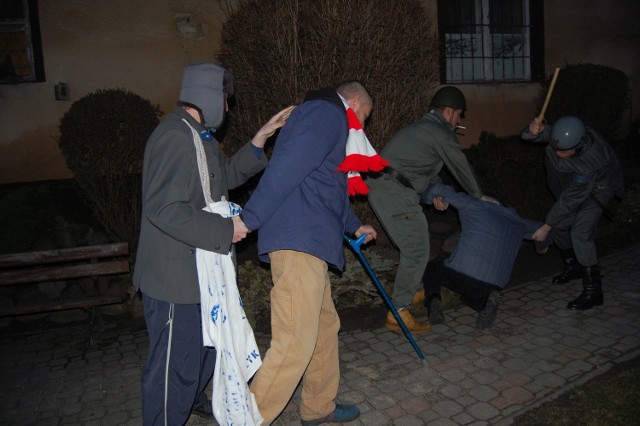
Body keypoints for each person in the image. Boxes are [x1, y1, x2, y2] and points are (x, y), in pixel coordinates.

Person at [134, 62, 294, 425]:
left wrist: (260, 139)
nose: (227, 108)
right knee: (172, 365)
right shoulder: (174, 136)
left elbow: (221, 179)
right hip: (174, 278)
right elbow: (164, 208)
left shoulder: (198, 134)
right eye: (224, 98)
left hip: (202, 273)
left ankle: (189, 399)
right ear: (207, 95)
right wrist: (226, 230)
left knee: (204, 350)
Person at [240, 81, 378, 425]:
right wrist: (247, 220)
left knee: (324, 326)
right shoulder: (326, 114)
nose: (362, 125)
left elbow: (324, 184)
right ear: (355, 101)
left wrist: (354, 225)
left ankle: (318, 407)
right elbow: (285, 169)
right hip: (299, 240)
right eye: (364, 116)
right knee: (295, 341)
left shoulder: (327, 117)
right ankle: (243, 420)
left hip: (309, 240)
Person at [366, 85, 497, 333]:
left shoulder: (426, 130)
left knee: (416, 246)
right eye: (459, 114)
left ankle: (412, 291)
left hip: (390, 187)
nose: (459, 121)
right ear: (449, 112)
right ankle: (399, 311)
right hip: (393, 191)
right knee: (417, 250)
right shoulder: (439, 130)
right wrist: (478, 195)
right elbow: (460, 164)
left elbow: (423, 172)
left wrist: (436, 194)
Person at [521, 115, 624, 310]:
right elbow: (535, 136)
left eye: (563, 151)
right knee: (560, 223)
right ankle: (572, 265)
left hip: (600, 189)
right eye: (555, 147)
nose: (557, 153)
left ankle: (594, 291)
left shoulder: (591, 161)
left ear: (579, 145)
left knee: (580, 233)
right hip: (576, 186)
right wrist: (533, 132)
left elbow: (570, 200)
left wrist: (545, 227)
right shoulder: (567, 133)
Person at [420, 183, 553, 329]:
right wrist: (542, 245)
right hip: (493, 284)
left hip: (459, 274)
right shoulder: (519, 222)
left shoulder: (473, 204)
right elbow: (546, 230)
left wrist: (431, 199)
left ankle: (434, 300)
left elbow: (437, 189)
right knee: (469, 295)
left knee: (432, 268)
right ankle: (488, 299)